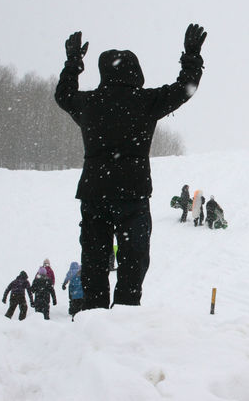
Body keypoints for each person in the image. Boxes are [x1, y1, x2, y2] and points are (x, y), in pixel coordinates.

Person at [54, 24, 207, 309]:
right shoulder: (144, 101)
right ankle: (125, 315)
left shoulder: (90, 103)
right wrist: (191, 56)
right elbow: (185, 89)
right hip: (132, 194)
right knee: (132, 261)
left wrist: (73, 63)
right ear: (136, 71)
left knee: (95, 262)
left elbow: (63, 95)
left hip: (94, 194)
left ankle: (94, 317)